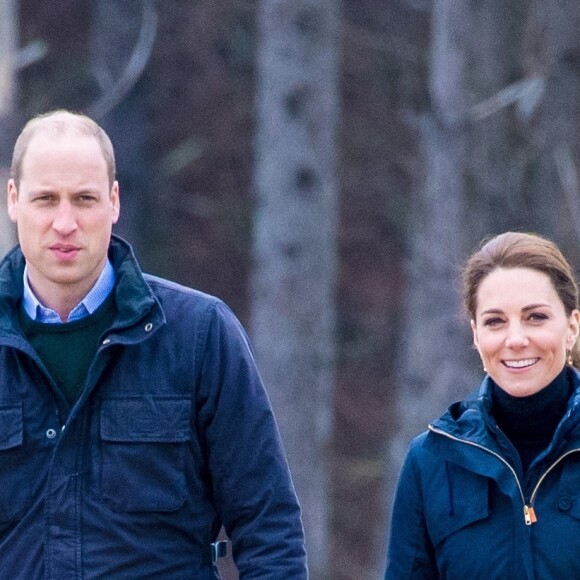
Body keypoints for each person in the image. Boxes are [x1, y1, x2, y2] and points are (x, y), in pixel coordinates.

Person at [0, 109, 308, 578]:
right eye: (47, 199)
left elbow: (269, 528)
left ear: (114, 201)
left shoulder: (199, 335)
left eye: (84, 199)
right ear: (14, 200)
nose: (65, 223)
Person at [384, 231, 580, 579]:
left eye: (535, 317)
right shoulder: (431, 461)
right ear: (476, 335)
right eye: (495, 321)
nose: (516, 340)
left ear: (572, 327)